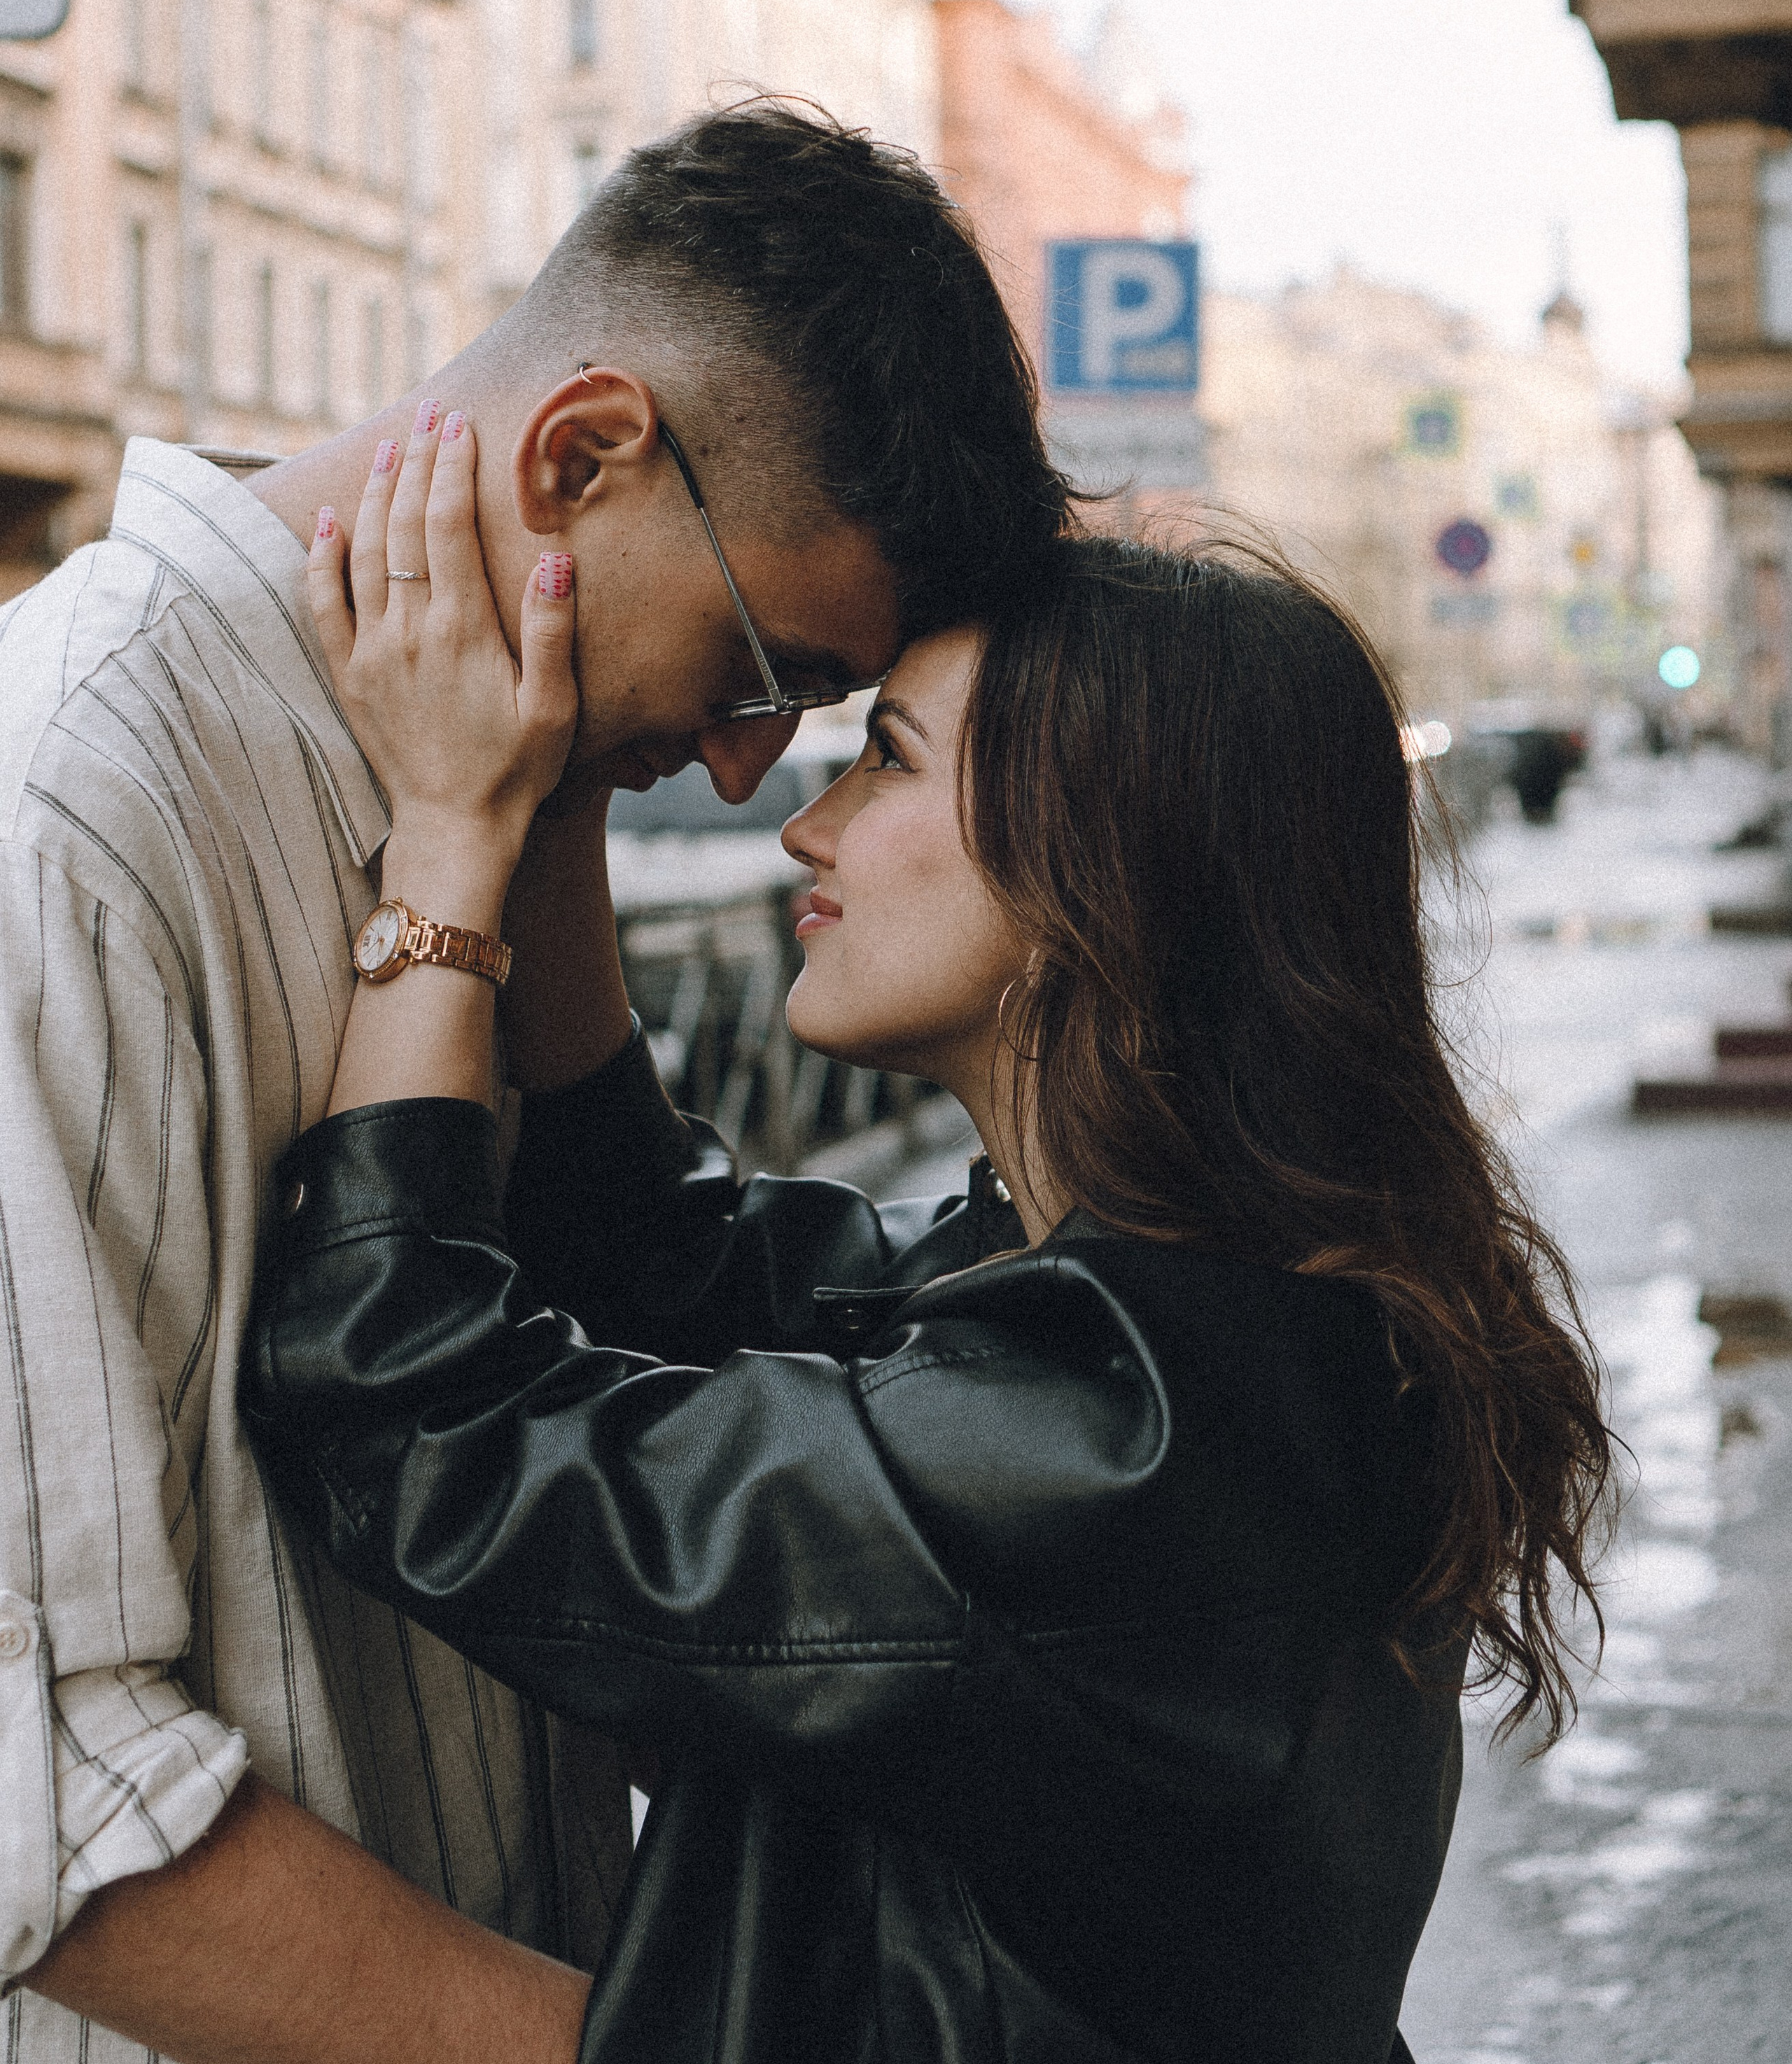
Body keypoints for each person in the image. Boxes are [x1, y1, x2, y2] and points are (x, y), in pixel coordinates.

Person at [245, 431, 1614, 2064]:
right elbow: (661, 1277)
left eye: (883, 758)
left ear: (1090, 860)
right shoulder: (1199, 1302)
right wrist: (563, 788)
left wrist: (449, 848)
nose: (804, 830)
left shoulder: (1117, 1439)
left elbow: (411, 1414)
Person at [0, 101, 1070, 2064]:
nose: (757, 775)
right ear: (583, 455)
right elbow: (33, 1796)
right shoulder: (67, 811)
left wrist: (535, 800)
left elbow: (624, 1298)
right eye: (768, 673)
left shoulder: (464, 783)